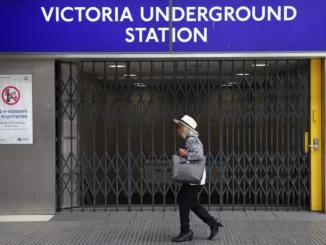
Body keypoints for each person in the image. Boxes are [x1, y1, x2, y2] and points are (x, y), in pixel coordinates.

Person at [172, 115, 223, 242]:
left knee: (183, 201)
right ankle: (212, 223)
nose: (177, 130)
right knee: (192, 202)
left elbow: (199, 156)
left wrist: (184, 153)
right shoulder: (193, 139)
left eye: (179, 127)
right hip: (195, 177)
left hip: (194, 178)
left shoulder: (191, 139)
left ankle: (186, 231)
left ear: (185, 128)